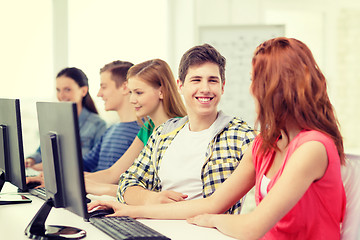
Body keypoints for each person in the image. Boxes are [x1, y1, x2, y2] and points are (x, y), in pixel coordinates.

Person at [89, 38, 347, 239]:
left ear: (277, 86)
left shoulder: (312, 147)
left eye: (255, 80)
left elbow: (250, 227)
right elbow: (212, 202)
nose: (251, 89)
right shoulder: (264, 144)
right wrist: (129, 210)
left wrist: (212, 219)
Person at [90, 44, 256, 213]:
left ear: (222, 86)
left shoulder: (240, 135)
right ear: (180, 86)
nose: (205, 89)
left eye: (212, 80)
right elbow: (127, 182)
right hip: (154, 229)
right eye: (196, 80)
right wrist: (150, 198)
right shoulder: (163, 133)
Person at [84, 58, 187, 196]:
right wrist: (70, 182)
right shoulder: (148, 128)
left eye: (139, 93)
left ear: (161, 91)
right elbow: (114, 173)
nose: (132, 100)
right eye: (131, 92)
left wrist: (92, 187)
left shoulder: (180, 130)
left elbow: (154, 191)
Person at [25, 67, 107, 170]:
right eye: (58, 90)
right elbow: (41, 152)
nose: (61, 95)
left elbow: (95, 165)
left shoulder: (98, 125)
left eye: (67, 89)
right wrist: (31, 160)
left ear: (83, 91)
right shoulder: (55, 122)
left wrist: (52, 166)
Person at [82, 60, 141, 172]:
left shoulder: (143, 132)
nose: (99, 94)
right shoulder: (111, 130)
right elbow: (86, 164)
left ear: (125, 87)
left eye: (104, 87)